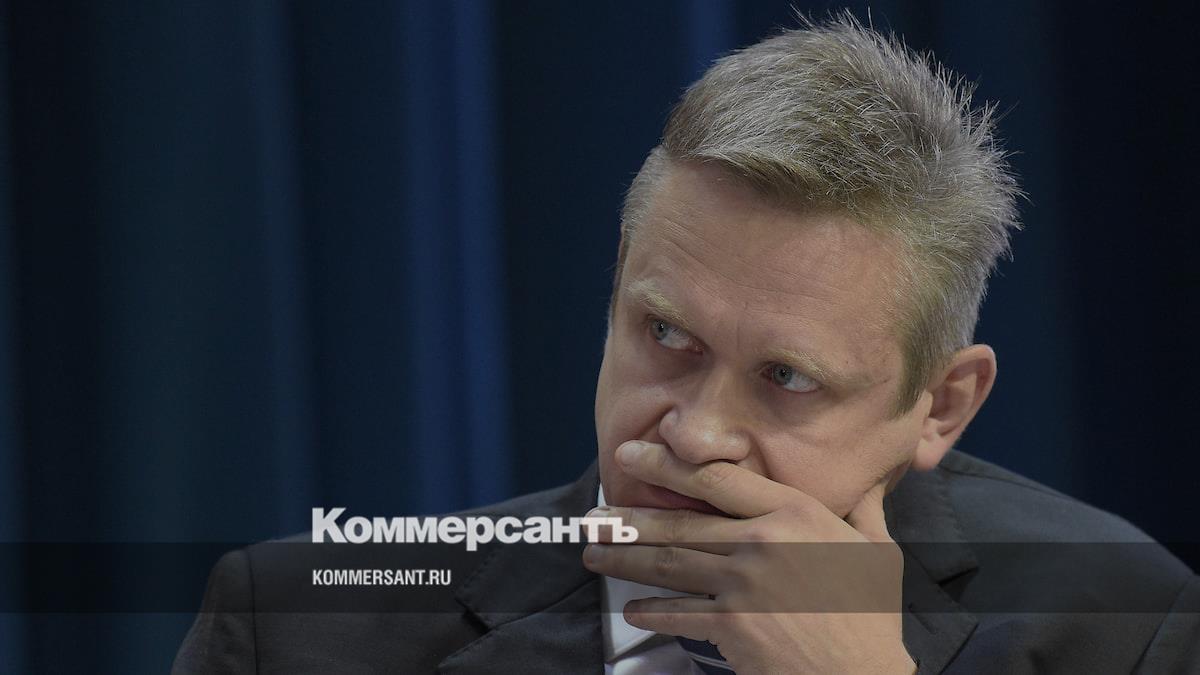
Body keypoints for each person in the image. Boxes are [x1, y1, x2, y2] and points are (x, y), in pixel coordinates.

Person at [173, 15, 1198, 674]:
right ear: (617, 283)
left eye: (786, 377)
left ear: (941, 405)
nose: (697, 433)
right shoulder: (300, 626)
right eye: (666, 334)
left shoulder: (1124, 625)